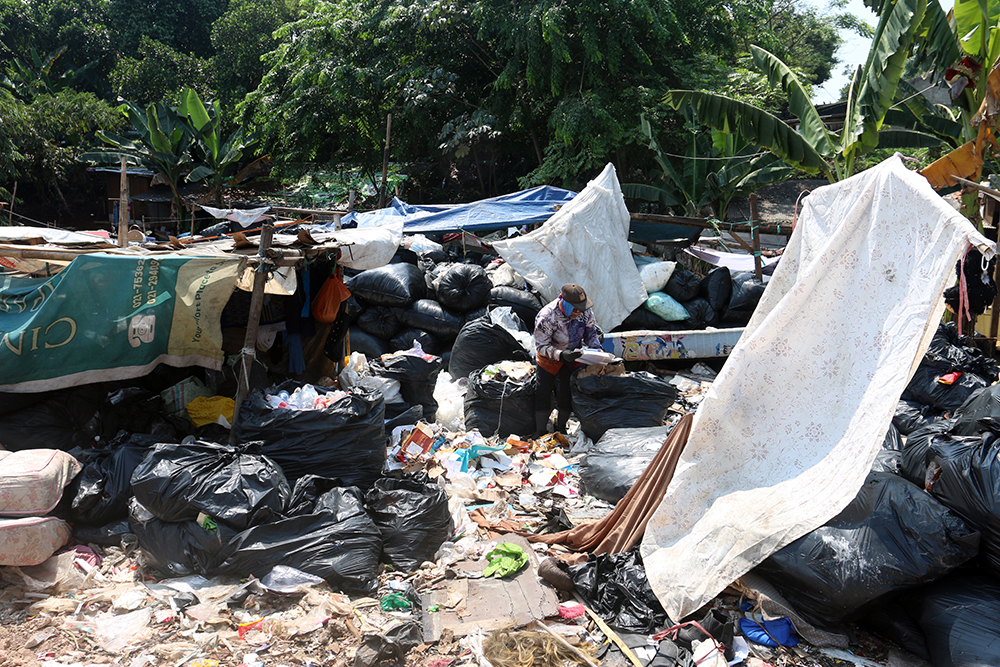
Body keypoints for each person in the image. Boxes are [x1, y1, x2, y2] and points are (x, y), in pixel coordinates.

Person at [533, 283, 600, 435]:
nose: (579, 312)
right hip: (548, 358)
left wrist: (598, 352)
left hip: (573, 357)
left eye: (581, 308)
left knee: (567, 392)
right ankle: (540, 430)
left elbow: (591, 333)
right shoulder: (547, 316)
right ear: (564, 303)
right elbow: (541, 346)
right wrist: (560, 355)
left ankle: (561, 427)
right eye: (575, 309)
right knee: (543, 392)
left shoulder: (584, 312)